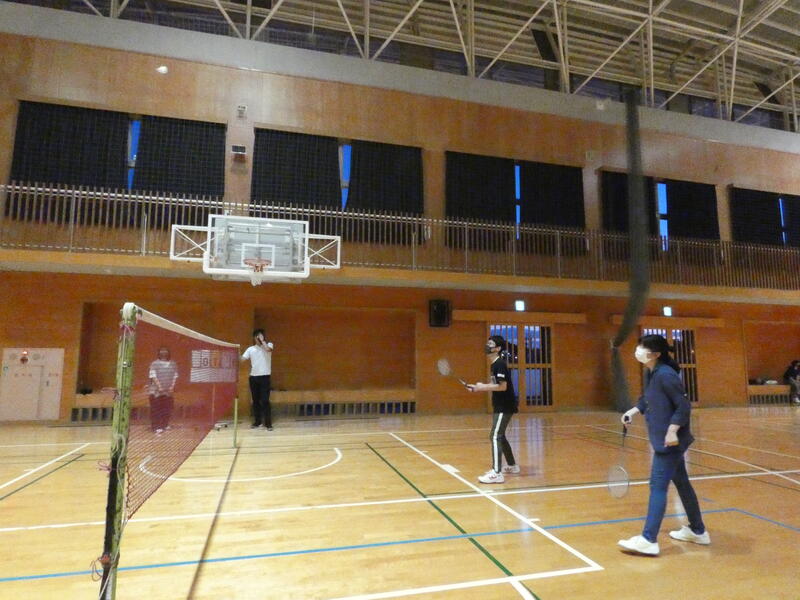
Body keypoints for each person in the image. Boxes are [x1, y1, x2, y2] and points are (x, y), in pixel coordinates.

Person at [618, 334, 710, 556]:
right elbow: (648, 398)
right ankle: (698, 531)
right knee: (682, 483)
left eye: (642, 347)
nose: (638, 350)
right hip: (664, 439)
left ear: (656, 354)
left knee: (657, 486)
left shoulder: (666, 375)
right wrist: (633, 411)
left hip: (670, 442)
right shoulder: (651, 373)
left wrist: (672, 430)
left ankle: (648, 539)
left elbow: (683, 406)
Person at [467, 335, 520, 484]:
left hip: (505, 405)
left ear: (498, 348)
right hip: (500, 405)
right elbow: (495, 385)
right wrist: (477, 387)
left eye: (490, 344)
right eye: (487, 343)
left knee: (495, 436)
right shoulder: (494, 365)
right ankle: (512, 466)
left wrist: (482, 387)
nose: (487, 346)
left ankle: (497, 473)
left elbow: (503, 387)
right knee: (500, 435)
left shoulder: (499, 364)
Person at [241, 328, 274, 430]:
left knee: (265, 400)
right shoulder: (250, 349)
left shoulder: (269, 345)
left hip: (265, 377)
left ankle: (268, 423)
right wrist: (234, 353)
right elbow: (242, 359)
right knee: (255, 401)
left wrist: (263, 341)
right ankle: (257, 421)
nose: (258, 338)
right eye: (257, 336)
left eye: (260, 336)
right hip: (253, 378)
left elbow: (268, 350)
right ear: (254, 338)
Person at [148, 346, 178, 434]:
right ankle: (156, 427)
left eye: (165, 350)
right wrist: (159, 387)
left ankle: (165, 425)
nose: (164, 352)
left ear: (168, 352)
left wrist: (172, 386)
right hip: (156, 392)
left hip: (168, 391)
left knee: (167, 409)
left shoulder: (173, 364)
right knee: (156, 409)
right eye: (162, 350)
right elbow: (153, 376)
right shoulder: (154, 364)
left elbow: (175, 376)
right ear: (159, 353)